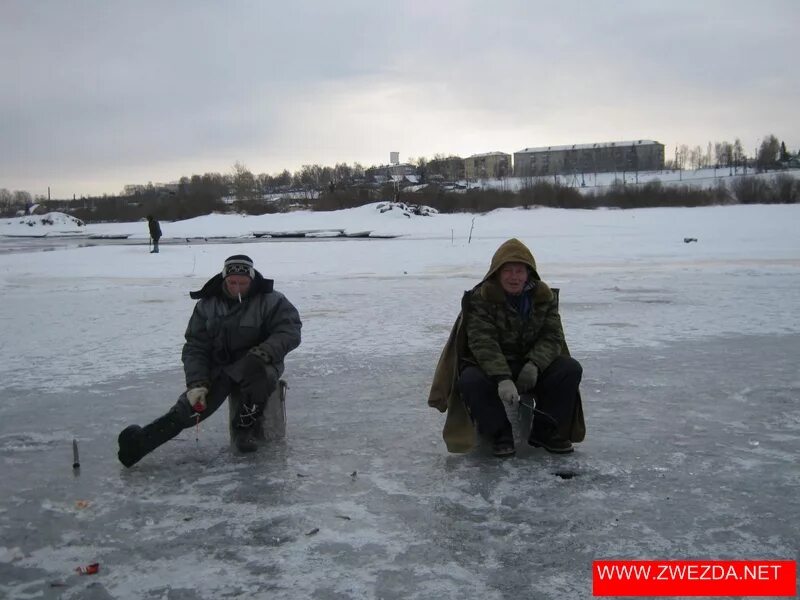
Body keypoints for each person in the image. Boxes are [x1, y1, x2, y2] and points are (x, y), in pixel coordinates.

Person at [117, 254, 302, 467]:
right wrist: (197, 383)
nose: (238, 287)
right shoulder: (207, 305)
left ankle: (244, 431)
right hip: (220, 368)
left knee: (259, 379)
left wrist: (263, 353)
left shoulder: (272, 300)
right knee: (193, 407)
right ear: (224, 279)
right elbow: (196, 346)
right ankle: (141, 442)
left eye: (243, 283)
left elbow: (289, 331)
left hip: (260, 362)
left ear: (252, 280)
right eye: (232, 282)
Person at [428, 238, 585, 458]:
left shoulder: (544, 297)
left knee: (569, 369)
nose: (514, 277)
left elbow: (552, 336)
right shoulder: (481, 299)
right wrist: (502, 377)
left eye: (519, 271)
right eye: (508, 271)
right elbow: (483, 342)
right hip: (492, 366)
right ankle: (499, 434)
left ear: (529, 273)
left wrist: (534, 365)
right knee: (469, 379)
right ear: (497, 273)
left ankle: (546, 432)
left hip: (531, 364)